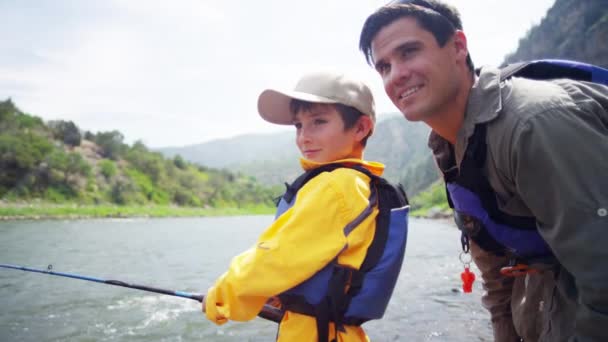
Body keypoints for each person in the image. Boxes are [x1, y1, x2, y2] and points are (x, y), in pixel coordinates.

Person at [359, 1, 608, 341]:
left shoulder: (533, 126)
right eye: (384, 66)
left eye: (409, 52)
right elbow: (495, 274)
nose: (396, 75)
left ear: (458, 47)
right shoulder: (450, 146)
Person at [202, 70, 409, 341]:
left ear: (360, 128)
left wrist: (221, 297)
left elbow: (277, 257)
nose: (304, 137)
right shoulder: (356, 184)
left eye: (318, 122)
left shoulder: (336, 186)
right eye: (299, 125)